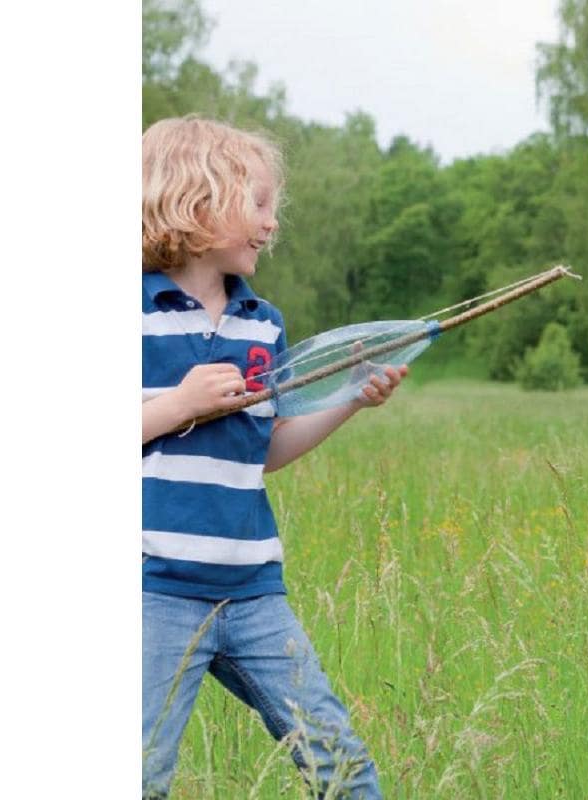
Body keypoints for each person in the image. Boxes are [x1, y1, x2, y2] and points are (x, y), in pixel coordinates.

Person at [141, 116, 405, 799]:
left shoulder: (263, 323)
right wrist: (178, 404)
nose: (272, 223)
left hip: (253, 590)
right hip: (154, 590)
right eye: (258, 203)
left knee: (344, 773)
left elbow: (267, 451)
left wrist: (350, 398)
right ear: (198, 200)